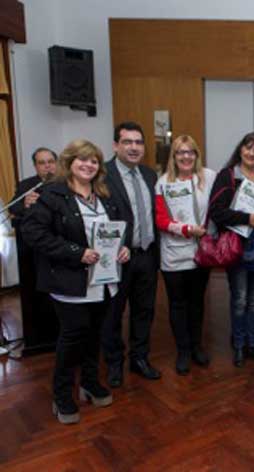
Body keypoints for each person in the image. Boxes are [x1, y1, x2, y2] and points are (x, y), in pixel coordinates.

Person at [22, 139, 130, 424]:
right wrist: (76, 253)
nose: (88, 165)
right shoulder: (52, 195)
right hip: (71, 284)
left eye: (94, 160)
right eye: (82, 159)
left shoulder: (105, 194)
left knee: (95, 335)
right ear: (69, 163)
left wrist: (123, 248)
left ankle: (90, 383)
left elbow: (118, 230)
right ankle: (61, 394)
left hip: (105, 281)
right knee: (72, 339)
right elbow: (33, 232)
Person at [102, 121, 161, 387]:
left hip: (147, 255)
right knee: (113, 313)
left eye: (138, 142)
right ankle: (115, 363)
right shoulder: (102, 174)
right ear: (116, 145)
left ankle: (140, 359)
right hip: (117, 259)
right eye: (127, 142)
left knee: (144, 311)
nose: (134, 147)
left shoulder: (150, 175)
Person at [209, 132, 254, 367]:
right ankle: (238, 346)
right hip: (237, 249)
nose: (252, 153)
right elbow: (216, 211)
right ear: (240, 150)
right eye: (248, 148)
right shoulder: (227, 176)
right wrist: (246, 218)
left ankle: (253, 345)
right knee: (239, 299)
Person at [155, 135, 216, 375]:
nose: (186, 156)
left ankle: (196, 346)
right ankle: (182, 350)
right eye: (180, 152)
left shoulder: (208, 177)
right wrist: (185, 229)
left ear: (197, 155)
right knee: (177, 304)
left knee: (197, 303)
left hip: (201, 253)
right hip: (173, 254)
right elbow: (160, 219)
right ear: (174, 156)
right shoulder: (162, 183)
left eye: (190, 151)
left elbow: (220, 203)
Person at [8, 147, 58, 353]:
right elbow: (13, 208)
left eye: (50, 161)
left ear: (56, 163)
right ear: (36, 166)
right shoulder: (27, 185)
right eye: (41, 162)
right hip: (34, 252)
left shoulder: (67, 182)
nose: (47, 166)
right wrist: (24, 204)